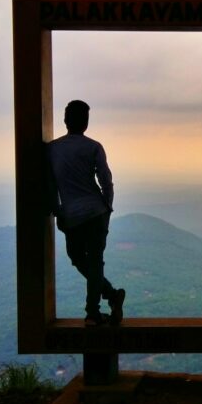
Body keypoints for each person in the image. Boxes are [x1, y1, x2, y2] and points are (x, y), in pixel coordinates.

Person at [48, 100, 125, 326]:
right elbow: (106, 182)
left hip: (71, 216)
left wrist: (58, 212)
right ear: (86, 122)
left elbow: (51, 185)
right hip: (95, 213)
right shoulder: (93, 147)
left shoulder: (52, 149)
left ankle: (95, 311)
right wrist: (108, 208)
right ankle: (110, 296)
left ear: (65, 120)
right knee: (93, 261)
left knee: (79, 259)